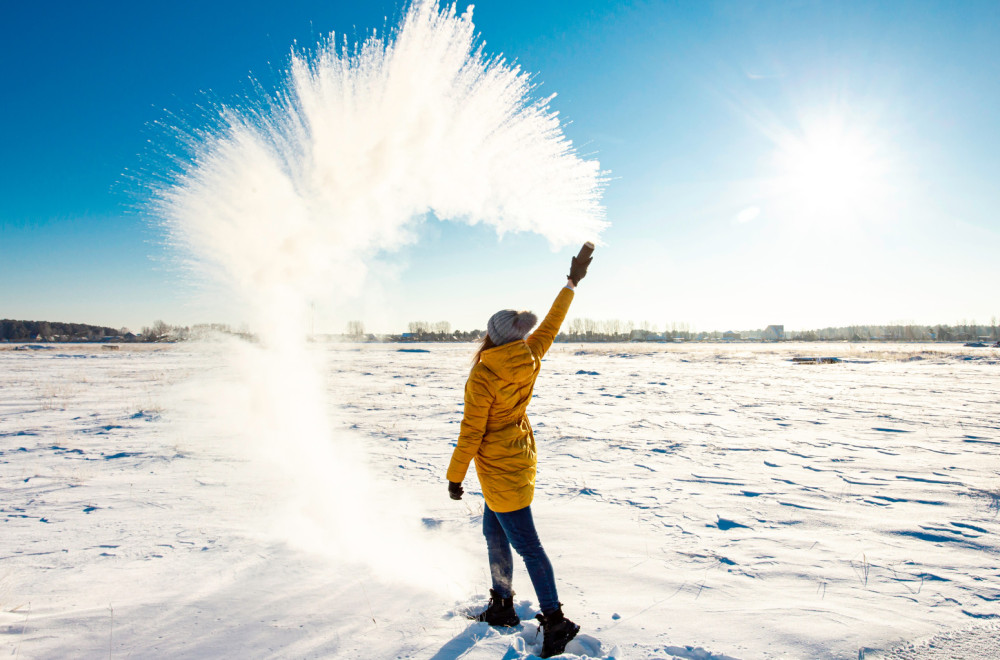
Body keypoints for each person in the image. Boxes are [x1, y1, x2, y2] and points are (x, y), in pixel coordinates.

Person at [446, 245, 593, 659]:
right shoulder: (530, 352)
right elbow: (552, 323)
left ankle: (555, 620)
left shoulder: (484, 373)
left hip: (500, 466)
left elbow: (471, 430)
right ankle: (503, 604)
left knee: (528, 545)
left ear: (492, 334)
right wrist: (571, 284)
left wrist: (455, 476)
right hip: (514, 457)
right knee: (493, 532)